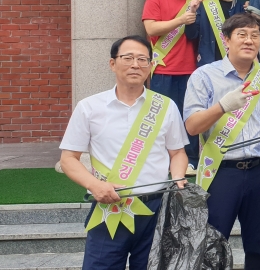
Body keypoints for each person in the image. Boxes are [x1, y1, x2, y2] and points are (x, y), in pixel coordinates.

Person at [59, 36, 188, 270]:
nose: (135, 65)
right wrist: (95, 185)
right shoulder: (89, 107)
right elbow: (68, 159)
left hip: (155, 209)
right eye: (128, 58)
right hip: (109, 207)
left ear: (150, 65)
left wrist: (178, 177)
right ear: (113, 63)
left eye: (142, 59)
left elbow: (177, 152)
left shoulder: (166, 106)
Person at [183, 13, 260, 270]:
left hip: (259, 173)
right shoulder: (204, 76)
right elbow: (192, 126)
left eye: (255, 36)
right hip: (220, 173)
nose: (249, 41)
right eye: (242, 35)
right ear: (226, 40)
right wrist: (222, 106)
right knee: (213, 248)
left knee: (258, 248)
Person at [142, 0, 202, 174]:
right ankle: (162, 160)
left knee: (191, 117)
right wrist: (181, 20)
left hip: (193, 71)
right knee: (162, 118)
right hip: (163, 69)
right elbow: (151, 29)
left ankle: (191, 160)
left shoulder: (201, 1)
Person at [193, 0, 245, 68]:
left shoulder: (242, 7)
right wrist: (191, 14)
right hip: (208, 63)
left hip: (235, 63)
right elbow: (192, 35)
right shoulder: (203, 6)